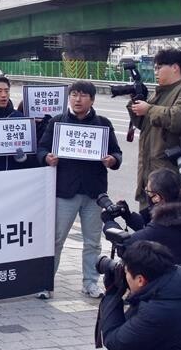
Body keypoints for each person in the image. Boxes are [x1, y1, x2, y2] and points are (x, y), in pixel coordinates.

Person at [37, 80, 123, 299]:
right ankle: (46, 283)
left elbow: (117, 153)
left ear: (92, 100)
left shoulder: (103, 124)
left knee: (92, 241)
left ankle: (90, 282)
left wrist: (112, 160)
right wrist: (46, 158)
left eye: (83, 95)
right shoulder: (58, 123)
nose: (77, 99)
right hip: (65, 192)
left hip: (94, 194)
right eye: (74, 95)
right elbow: (42, 148)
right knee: (55, 239)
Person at [127, 49, 181, 208]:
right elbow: (145, 125)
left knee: (166, 225)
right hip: (151, 177)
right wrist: (135, 103)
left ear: (175, 68)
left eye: (159, 67)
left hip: (169, 181)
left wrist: (149, 109)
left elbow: (180, 119)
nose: (156, 72)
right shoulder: (159, 93)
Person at [119, 169, 181, 265]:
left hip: (169, 276)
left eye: (148, 191)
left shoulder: (164, 224)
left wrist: (109, 223)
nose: (147, 193)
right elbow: (148, 229)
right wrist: (128, 217)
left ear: (157, 197)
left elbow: (125, 245)